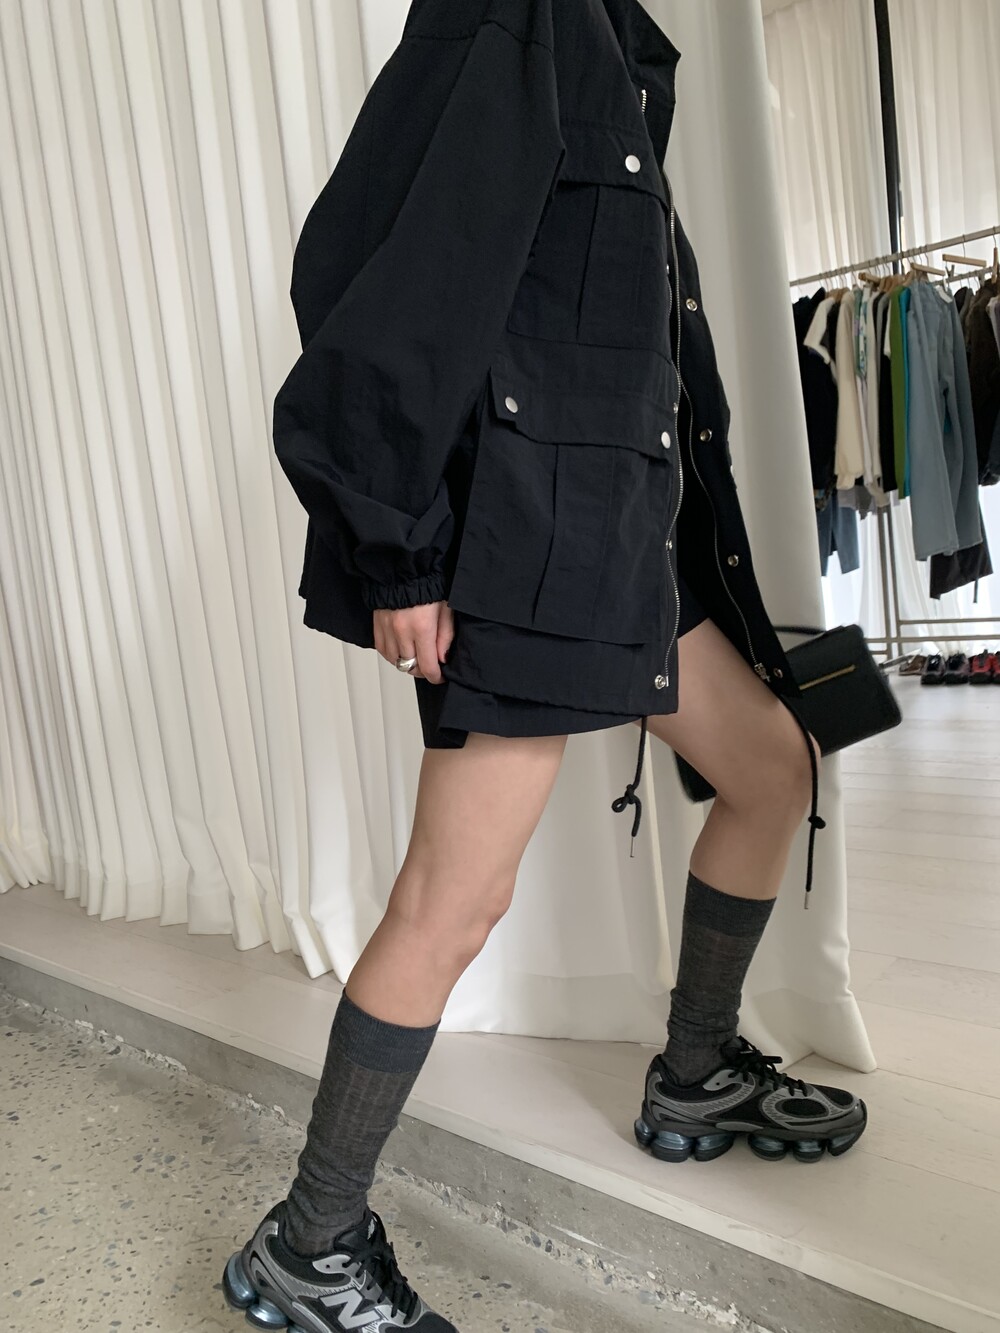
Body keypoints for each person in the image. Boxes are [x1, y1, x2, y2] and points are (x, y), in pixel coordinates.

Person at [222, 1, 867, 1329]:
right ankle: (310, 1240)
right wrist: (401, 551)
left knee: (772, 764)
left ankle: (695, 1072)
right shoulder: (509, 14)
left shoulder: (615, 45)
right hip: (526, 543)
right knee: (455, 898)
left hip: (621, 533)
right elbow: (366, 261)